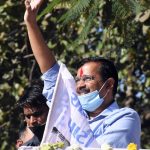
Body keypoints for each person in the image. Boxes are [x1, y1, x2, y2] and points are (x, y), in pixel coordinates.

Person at [24, 0, 141, 148]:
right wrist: (31, 23)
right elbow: (51, 73)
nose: (79, 85)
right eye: (77, 79)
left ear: (109, 84)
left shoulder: (124, 118)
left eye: (87, 79)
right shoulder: (71, 110)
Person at [17, 79, 49, 146]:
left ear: (48, 108)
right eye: (28, 116)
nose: (31, 121)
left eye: (37, 114)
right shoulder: (23, 127)